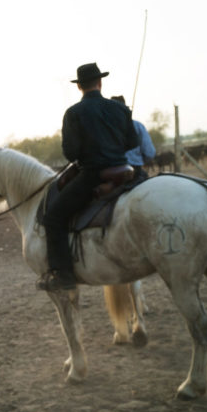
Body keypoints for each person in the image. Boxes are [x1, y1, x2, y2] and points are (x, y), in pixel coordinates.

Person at [38, 63, 138, 292]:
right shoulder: (120, 109)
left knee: (53, 217)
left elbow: (71, 153)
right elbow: (133, 142)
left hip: (93, 175)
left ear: (79, 87)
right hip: (125, 171)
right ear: (100, 83)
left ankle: (63, 275)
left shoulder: (73, 113)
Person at [111, 95, 156, 174]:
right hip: (135, 170)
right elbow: (149, 152)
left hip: (110, 170)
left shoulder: (103, 127)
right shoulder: (138, 126)